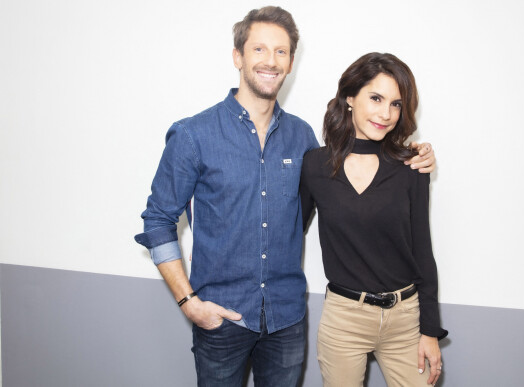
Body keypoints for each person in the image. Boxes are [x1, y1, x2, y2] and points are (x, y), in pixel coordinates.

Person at [135, 7, 437, 387]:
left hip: (286, 320)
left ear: (291, 62)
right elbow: (158, 220)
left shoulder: (303, 140)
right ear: (238, 56)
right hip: (222, 320)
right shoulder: (193, 135)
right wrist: (188, 302)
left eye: (281, 52)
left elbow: (316, 210)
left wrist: (414, 153)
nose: (271, 61)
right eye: (259, 49)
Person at [300, 52, 448, 387]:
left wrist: (430, 331)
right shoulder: (315, 166)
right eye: (376, 98)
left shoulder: (412, 167)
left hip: (406, 319)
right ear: (350, 97)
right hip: (344, 319)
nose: (386, 113)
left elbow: (423, 251)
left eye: (396, 104)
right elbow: (289, 232)